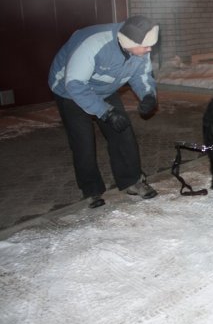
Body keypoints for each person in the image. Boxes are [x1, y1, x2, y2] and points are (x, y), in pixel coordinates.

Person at [48, 15, 160, 208]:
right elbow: (75, 84)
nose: (150, 49)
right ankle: (91, 190)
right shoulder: (94, 43)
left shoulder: (139, 48)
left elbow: (141, 74)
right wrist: (106, 112)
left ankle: (132, 181)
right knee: (83, 140)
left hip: (104, 88)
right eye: (146, 46)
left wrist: (148, 96)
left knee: (123, 131)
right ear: (129, 42)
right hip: (70, 90)